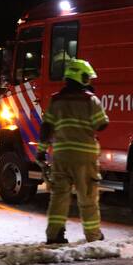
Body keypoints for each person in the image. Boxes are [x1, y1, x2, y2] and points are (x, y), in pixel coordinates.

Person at [36, 58, 109, 244]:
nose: (89, 81)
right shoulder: (90, 100)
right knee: (88, 196)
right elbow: (102, 124)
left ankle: (54, 235)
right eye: (87, 78)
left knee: (59, 196)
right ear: (81, 77)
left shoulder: (55, 100)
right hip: (84, 156)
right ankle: (93, 236)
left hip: (60, 155)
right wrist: (93, 99)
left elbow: (47, 128)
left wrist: (41, 151)